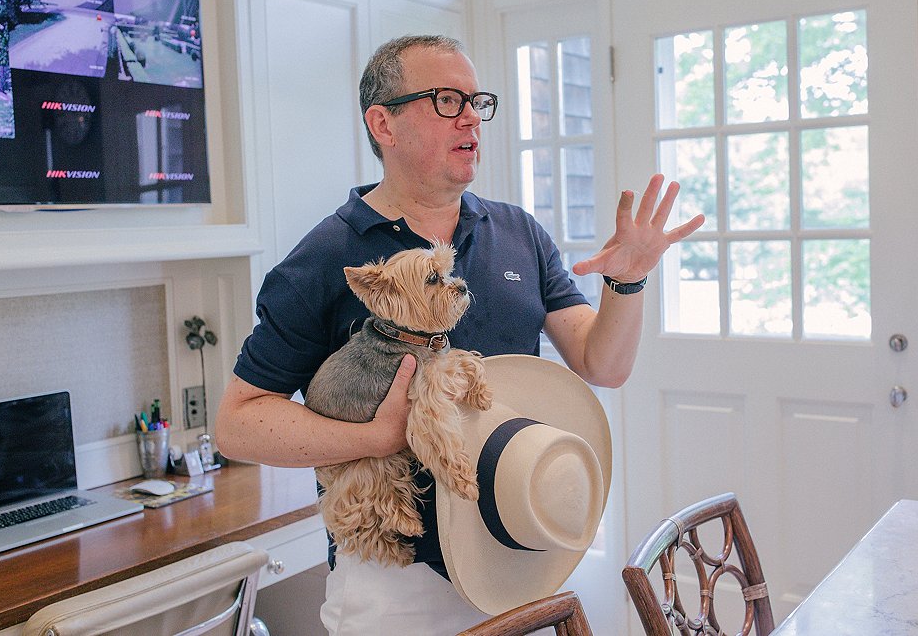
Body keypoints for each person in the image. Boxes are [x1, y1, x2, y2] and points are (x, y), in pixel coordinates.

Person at [215, 34, 704, 634]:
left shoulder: (518, 231)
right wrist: (373, 436)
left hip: (519, 542)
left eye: (477, 101)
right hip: (396, 577)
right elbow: (238, 423)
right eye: (447, 100)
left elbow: (604, 363)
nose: (471, 116)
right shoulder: (325, 257)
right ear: (383, 124)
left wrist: (628, 283)